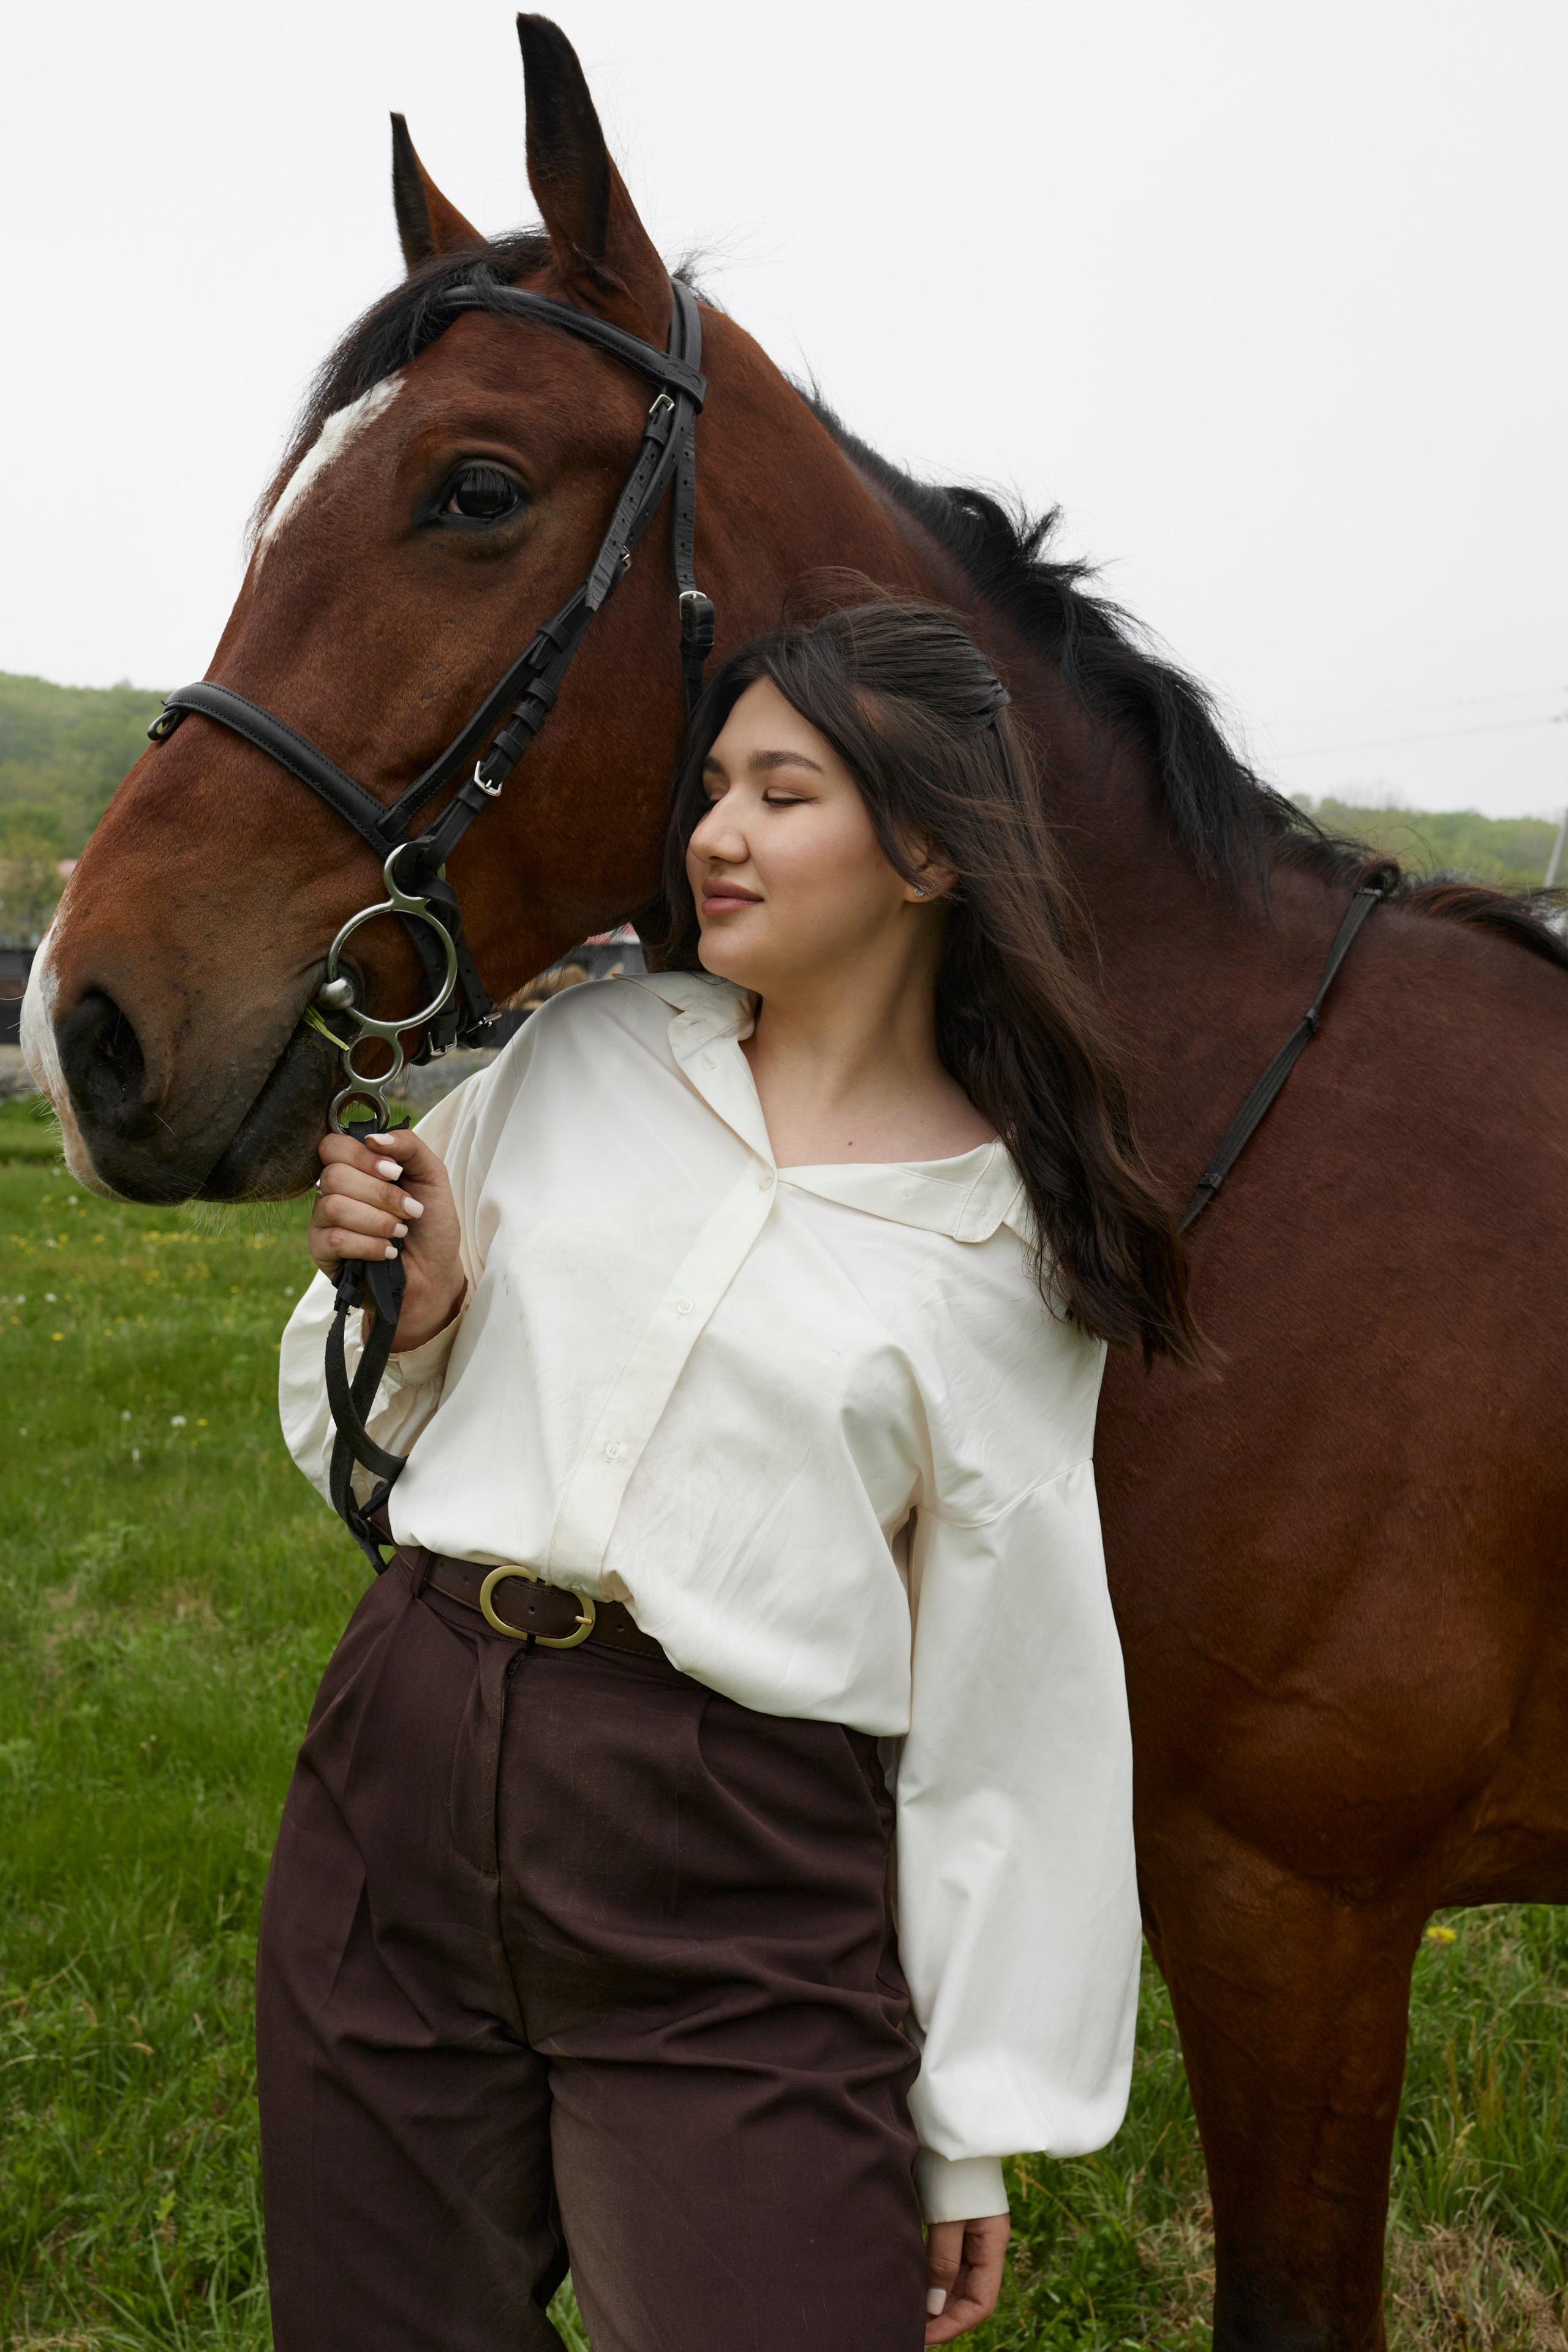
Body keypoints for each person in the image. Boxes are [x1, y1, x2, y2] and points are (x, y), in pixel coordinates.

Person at [262, 598, 1197, 2352]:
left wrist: (965, 2125)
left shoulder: (1008, 1249)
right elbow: (348, 1447)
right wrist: (424, 1319)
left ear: (927, 850)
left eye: (783, 793)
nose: (714, 835)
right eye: (712, 788)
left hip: (736, 1871)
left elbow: (1018, 1704)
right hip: (403, 1751)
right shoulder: (578, 1064)